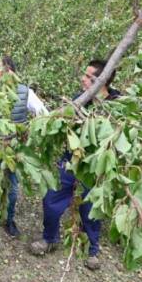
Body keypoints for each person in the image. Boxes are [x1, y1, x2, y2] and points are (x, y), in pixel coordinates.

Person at [29, 59, 121, 270]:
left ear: (102, 80)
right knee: (51, 197)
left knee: (91, 207)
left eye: (89, 77)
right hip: (71, 160)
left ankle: (92, 249)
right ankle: (50, 238)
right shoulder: (79, 100)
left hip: (95, 166)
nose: (83, 79)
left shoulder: (117, 103)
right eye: (85, 75)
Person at [0, 56, 48, 236]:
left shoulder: (25, 92)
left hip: (14, 151)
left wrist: (30, 132)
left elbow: (44, 115)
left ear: (9, 73)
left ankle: (8, 218)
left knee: (12, 187)